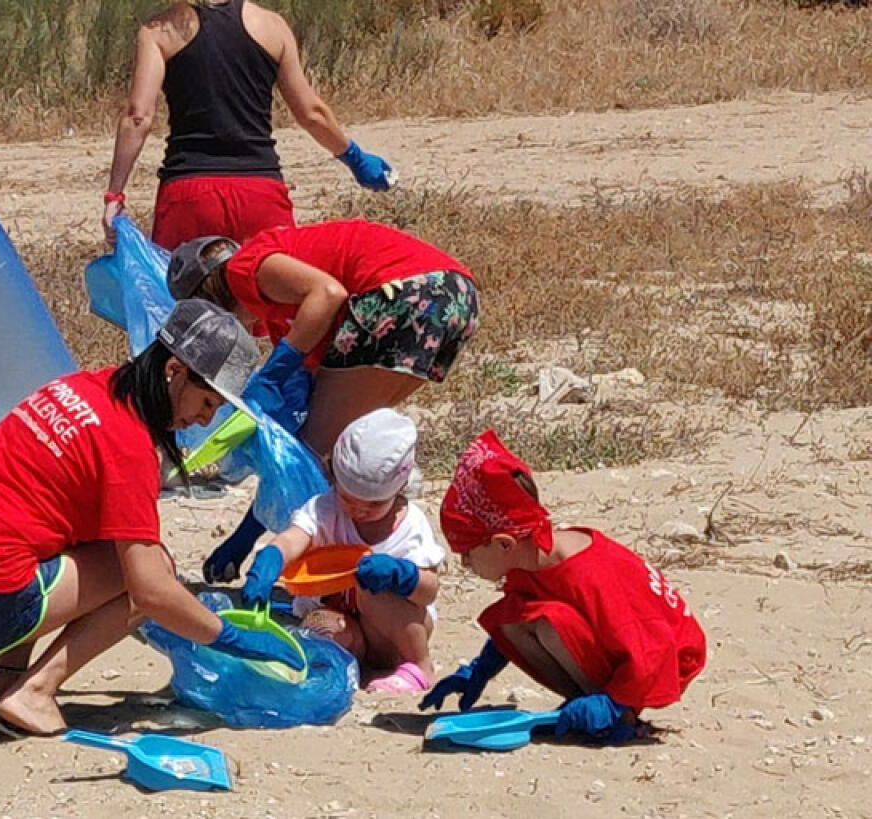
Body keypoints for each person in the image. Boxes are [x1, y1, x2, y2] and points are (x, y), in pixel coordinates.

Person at [0, 300, 305, 738]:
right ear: (174, 370)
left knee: (55, 539)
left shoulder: (78, 387)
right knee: (153, 568)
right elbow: (151, 590)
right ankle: (35, 691)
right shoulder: (128, 444)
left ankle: (6, 686)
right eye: (207, 401)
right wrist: (228, 638)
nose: (204, 417)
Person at [167, 219, 479, 581]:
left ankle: (319, 564)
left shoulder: (244, 268)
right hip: (454, 296)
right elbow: (321, 364)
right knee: (348, 441)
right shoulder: (285, 311)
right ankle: (367, 558)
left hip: (406, 294)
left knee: (315, 451)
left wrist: (277, 371)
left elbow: (328, 293)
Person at [420, 430, 707, 744]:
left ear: (504, 544)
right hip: (634, 646)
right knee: (518, 614)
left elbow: (654, 647)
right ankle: (587, 700)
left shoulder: (592, 574)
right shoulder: (531, 556)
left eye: (468, 552)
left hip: (665, 658)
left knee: (546, 619)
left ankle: (615, 713)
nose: (464, 563)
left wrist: (616, 703)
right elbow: (520, 609)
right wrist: (480, 670)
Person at [103, 0, 393, 250]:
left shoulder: (161, 31)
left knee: (186, 310)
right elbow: (312, 113)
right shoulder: (272, 27)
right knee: (272, 307)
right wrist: (355, 158)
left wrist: (114, 194)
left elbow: (138, 117)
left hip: (190, 193)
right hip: (260, 191)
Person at [241, 409, 445, 693]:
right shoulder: (326, 510)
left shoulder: (410, 526)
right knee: (318, 624)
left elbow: (429, 590)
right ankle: (347, 666)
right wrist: (272, 557)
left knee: (372, 592)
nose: (359, 510)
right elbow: (294, 538)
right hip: (348, 627)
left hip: (396, 633)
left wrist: (403, 575)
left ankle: (418, 667)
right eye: (348, 499)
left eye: (374, 505)